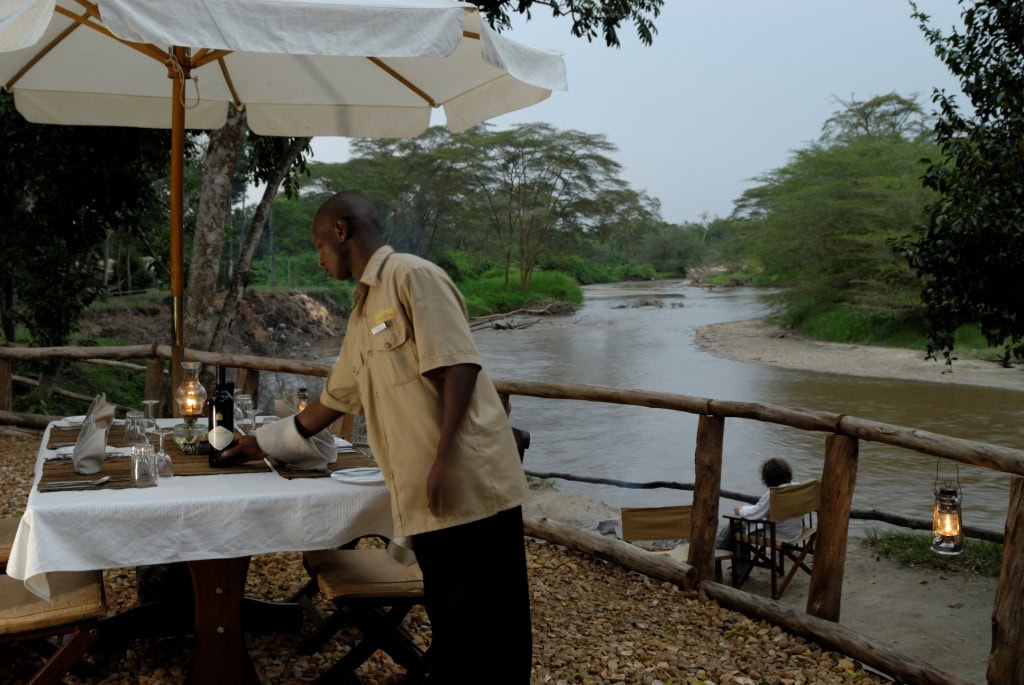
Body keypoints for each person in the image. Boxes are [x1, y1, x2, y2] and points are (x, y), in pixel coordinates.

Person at [223, 190, 532, 684]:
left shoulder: (413, 276)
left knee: (493, 634)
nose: (319, 259)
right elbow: (332, 401)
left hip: (469, 487)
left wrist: (444, 459)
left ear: (341, 232)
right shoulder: (363, 312)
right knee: (454, 629)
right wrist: (260, 442)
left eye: (319, 245)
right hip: (427, 496)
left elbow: (459, 365)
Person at [717, 457, 802, 549]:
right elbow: (760, 509)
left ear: (768, 478)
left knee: (737, 523)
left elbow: (755, 514)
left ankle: (720, 550)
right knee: (741, 521)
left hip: (777, 535)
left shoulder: (774, 494)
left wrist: (740, 510)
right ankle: (721, 549)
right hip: (795, 532)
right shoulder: (797, 487)